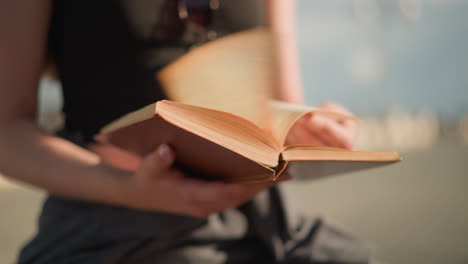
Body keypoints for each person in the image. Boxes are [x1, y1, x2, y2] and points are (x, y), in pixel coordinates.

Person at [0, 0, 370, 263]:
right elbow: (6, 132)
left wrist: (309, 128)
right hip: (110, 223)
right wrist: (127, 189)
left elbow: (280, 106)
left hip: (266, 223)